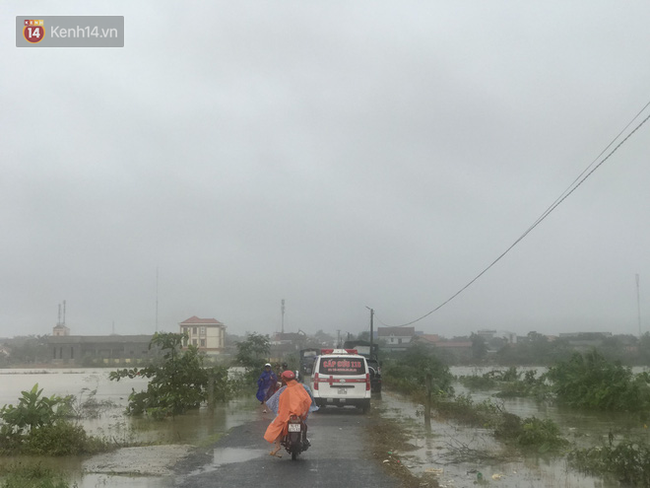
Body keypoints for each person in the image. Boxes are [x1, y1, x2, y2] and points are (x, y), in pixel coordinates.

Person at [263, 370, 312, 457]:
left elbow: (281, 405)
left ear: (284, 379)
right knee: (304, 425)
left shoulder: (285, 391)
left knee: (276, 426)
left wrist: (281, 413)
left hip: (286, 416)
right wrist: (304, 412)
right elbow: (308, 401)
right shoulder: (301, 387)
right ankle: (304, 439)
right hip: (299, 415)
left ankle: (277, 446)